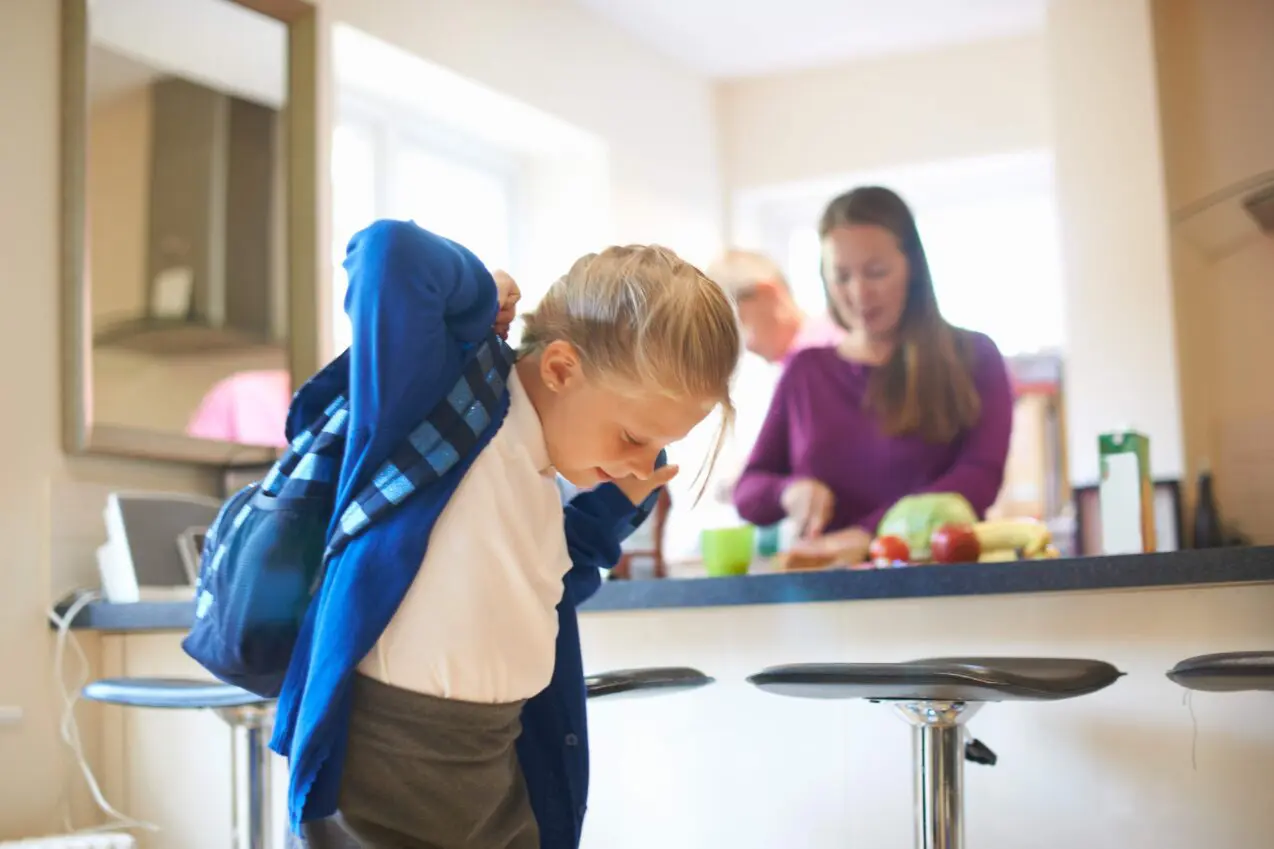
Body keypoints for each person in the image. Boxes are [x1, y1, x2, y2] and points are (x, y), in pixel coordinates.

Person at [279, 221, 740, 849]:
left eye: (659, 445)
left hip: (498, 778)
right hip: (386, 780)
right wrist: (475, 294)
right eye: (633, 436)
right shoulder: (436, 404)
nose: (643, 460)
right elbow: (389, 251)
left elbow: (548, 589)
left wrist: (616, 505)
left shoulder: (540, 479)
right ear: (558, 367)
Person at [732, 187, 1013, 564]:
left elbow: (979, 479)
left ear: (912, 267)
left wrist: (867, 535)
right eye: (842, 276)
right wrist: (789, 491)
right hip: (833, 596)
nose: (860, 293)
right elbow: (748, 492)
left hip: (944, 588)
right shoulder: (806, 371)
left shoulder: (975, 357)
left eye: (876, 272)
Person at [706, 249, 843, 364]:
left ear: (767, 294)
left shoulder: (824, 354)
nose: (748, 346)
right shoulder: (797, 361)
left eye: (739, 323)